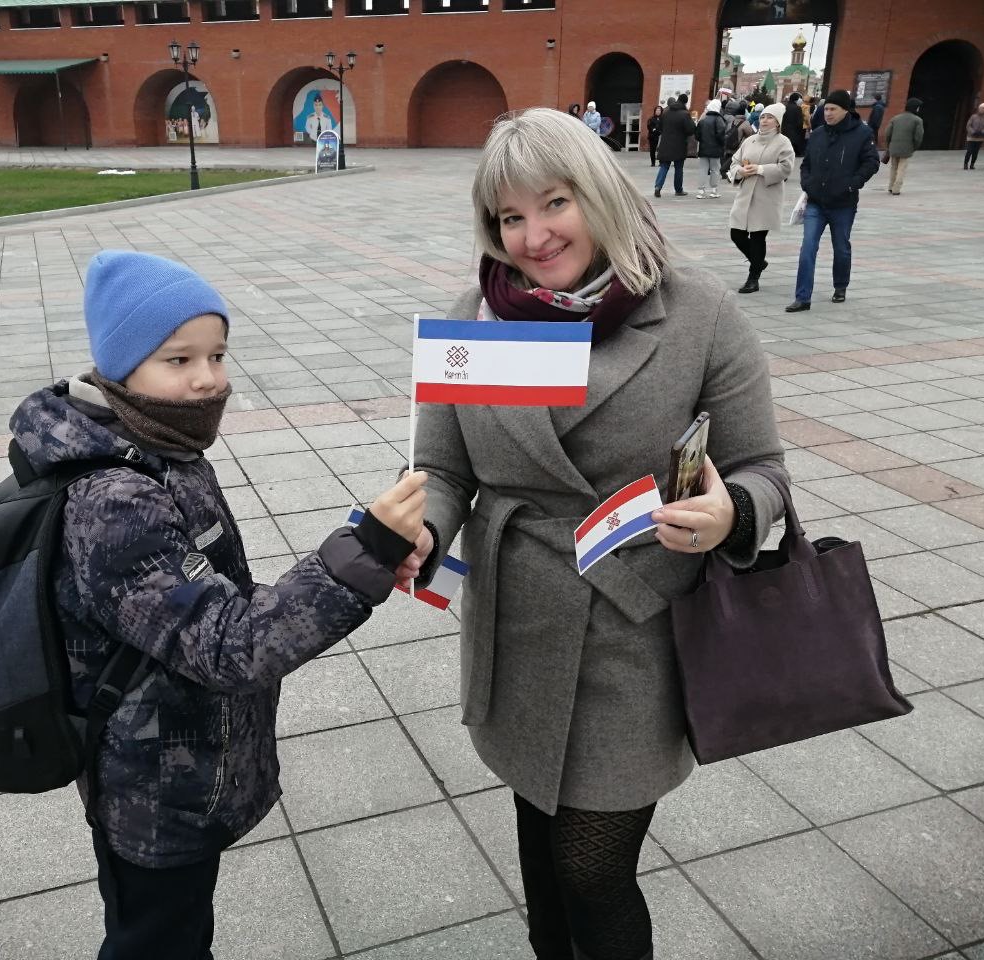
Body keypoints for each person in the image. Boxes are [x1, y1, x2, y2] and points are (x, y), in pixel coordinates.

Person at [411, 107, 787, 960]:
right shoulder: (475, 321)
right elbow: (442, 469)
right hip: (519, 626)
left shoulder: (695, 312)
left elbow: (763, 468)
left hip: (637, 625)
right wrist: (422, 534)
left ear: (600, 192)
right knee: (540, 848)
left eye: (556, 203)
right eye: (511, 216)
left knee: (593, 868)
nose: (535, 236)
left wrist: (731, 513)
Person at [9, 250, 429, 960]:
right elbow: (229, 646)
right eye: (178, 359)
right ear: (120, 368)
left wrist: (371, 557)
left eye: (218, 354)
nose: (208, 378)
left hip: (181, 758)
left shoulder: (158, 448)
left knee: (173, 932)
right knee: (157, 941)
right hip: (153, 782)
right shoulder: (116, 499)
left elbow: (209, 603)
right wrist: (362, 553)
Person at [786, 89, 880, 312]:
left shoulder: (862, 133)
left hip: (843, 204)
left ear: (845, 110)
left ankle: (840, 286)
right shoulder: (818, 133)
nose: (827, 113)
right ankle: (802, 297)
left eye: (833, 109)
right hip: (816, 202)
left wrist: (852, 184)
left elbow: (871, 163)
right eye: (826, 109)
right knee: (808, 247)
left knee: (841, 247)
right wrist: (807, 184)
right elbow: (806, 164)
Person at [729, 102, 794, 294]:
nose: (765, 120)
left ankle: (753, 277)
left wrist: (760, 169)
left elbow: (786, 168)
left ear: (778, 122)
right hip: (745, 194)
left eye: (770, 118)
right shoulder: (750, 140)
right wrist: (740, 171)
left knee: (758, 236)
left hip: (766, 196)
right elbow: (734, 162)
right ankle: (759, 262)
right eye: (763, 116)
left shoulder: (783, 142)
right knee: (736, 233)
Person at [654, 97, 696, 197]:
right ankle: (678, 190)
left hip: (665, 144)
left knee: (664, 166)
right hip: (679, 144)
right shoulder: (685, 114)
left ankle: (658, 187)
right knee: (678, 168)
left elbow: (659, 127)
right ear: (685, 103)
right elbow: (691, 130)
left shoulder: (665, 113)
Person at [884, 98, 924, 195]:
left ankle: (890, 187)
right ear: (915, 108)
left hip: (893, 147)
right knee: (901, 168)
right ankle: (896, 189)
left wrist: (889, 145)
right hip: (907, 148)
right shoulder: (917, 120)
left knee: (893, 167)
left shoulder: (895, 118)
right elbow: (918, 137)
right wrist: (914, 147)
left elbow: (887, 133)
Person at [695, 99, 727, 198]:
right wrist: (722, 144)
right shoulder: (719, 119)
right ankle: (714, 190)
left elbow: (697, 136)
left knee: (703, 170)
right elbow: (721, 135)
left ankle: (701, 191)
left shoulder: (703, 120)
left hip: (703, 149)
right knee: (715, 170)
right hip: (716, 149)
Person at [964, 103, 984, 169]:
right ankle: (965, 164)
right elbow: (968, 125)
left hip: (980, 137)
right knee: (969, 151)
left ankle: (972, 164)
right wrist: (973, 132)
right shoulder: (973, 116)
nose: (982, 109)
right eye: (981, 108)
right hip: (971, 137)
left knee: (975, 152)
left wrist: (982, 132)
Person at [782, 92, 807, 157]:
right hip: (795, 131)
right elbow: (800, 122)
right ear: (796, 99)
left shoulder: (784, 107)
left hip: (784, 129)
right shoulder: (797, 108)